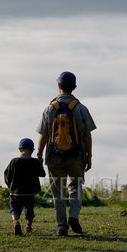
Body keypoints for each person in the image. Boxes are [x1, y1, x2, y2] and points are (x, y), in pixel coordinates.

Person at [36, 71, 96, 236]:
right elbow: (87, 135)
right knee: (75, 187)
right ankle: (74, 216)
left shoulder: (49, 108)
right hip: (76, 155)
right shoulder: (81, 108)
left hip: (54, 156)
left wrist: (40, 155)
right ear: (74, 87)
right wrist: (89, 156)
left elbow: (43, 135)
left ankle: (62, 226)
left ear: (58, 86)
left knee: (58, 192)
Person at [4, 138, 46, 235]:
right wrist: (40, 163)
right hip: (30, 192)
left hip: (16, 191)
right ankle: (28, 226)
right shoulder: (35, 162)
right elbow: (42, 174)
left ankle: (16, 221)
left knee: (14, 208)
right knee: (29, 209)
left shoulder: (14, 161)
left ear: (20, 149)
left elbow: (7, 174)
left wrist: (9, 185)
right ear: (32, 150)